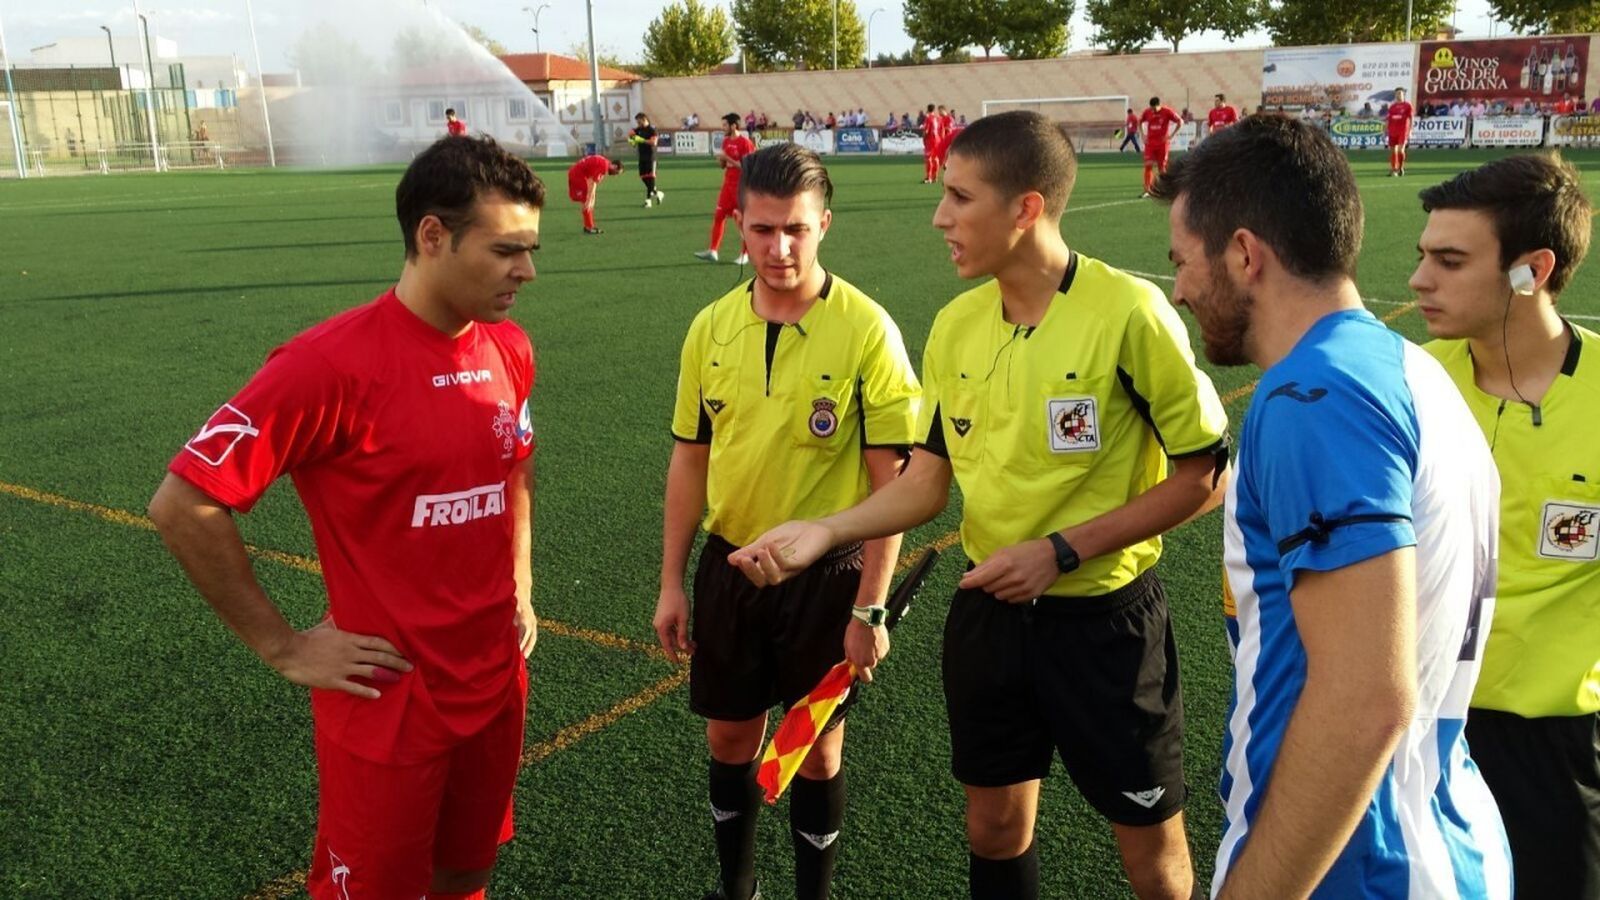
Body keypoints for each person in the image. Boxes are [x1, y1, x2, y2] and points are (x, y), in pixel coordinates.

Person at [730, 110, 1230, 900]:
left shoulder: (1129, 313)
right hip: (988, 618)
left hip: (1106, 625)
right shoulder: (956, 324)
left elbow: (1207, 475)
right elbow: (927, 480)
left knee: (1151, 851)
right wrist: (822, 531)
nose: (940, 216)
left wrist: (1062, 551)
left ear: (1026, 208)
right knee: (993, 828)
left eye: (960, 198)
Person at [147, 135, 543, 900]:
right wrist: (284, 646)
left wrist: (522, 581)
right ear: (433, 236)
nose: (527, 270)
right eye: (507, 250)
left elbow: (515, 464)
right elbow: (184, 503)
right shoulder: (324, 367)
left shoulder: (510, 349)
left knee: (468, 871)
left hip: (495, 680)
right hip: (387, 699)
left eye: (529, 249)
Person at [1151, 113, 1511, 898]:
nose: (1177, 287)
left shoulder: (1315, 395)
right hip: (1439, 829)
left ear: (1244, 254)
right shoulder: (1410, 370)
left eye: (1181, 261)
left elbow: (1364, 701)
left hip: (1361, 867)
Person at [657, 143, 921, 900]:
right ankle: (736, 890)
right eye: (763, 229)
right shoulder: (709, 328)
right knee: (730, 737)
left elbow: (891, 485)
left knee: (815, 748)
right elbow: (688, 461)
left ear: (824, 226)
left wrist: (870, 605)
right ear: (739, 225)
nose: (779, 249)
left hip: (826, 579)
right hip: (731, 567)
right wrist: (673, 582)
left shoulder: (867, 328)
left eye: (797, 230)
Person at [1411, 153, 1600, 899]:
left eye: (1450, 260)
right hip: (1417, 728)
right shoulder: (1412, 381)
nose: (1421, 279)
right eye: (1424, 255)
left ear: (1533, 269)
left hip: (1553, 743)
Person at [695, 113, 756, 265]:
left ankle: (745, 254)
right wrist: (721, 160)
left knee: (742, 221)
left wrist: (727, 158)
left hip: (741, 186)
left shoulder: (745, 143)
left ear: (733, 126)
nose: (723, 128)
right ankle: (713, 251)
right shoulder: (726, 141)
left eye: (725, 125)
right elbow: (724, 166)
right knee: (718, 216)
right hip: (727, 186)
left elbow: (748, 167)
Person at [567, 153, 624, 235]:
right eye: (617, 172)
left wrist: (592, 196)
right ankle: (589, 227)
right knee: (587, 201)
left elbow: (594, 182)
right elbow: (592, 182)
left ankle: (589, 226)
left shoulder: (605, 163)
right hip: (578, 175)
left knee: (587, 200)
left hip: (577, 173)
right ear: (614, 166)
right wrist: (590, 197)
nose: (615, 175)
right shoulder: (604, 167)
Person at [1139, 97, 1183, 198]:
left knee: (1162, 168)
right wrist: (1142, 135)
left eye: (1155, 109)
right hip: (1150, 143)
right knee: (1148, 165)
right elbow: (1140, 121)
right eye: (1151, 109)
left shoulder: (1167, 111)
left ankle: (1165, 189)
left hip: (1162, 144)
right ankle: (1147, 190)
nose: (1153, 111)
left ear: (1159, 105)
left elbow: (1180, 121)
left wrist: (1171, 135)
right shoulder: (1147, 112)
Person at [629, 112, 665, 208]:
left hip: (651, 157)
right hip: (642, 157)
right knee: (643, 177)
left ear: (644, 119)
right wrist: (631, 139)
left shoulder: (652, 130)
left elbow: (654, 142)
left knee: (651, 177)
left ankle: (648, 201)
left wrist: (641, 140)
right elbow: (632, 139)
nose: (638, 124)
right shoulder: (638, 130)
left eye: (639, 122)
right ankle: (657, 193)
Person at [921, 103, 946, 183]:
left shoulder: (928, 118)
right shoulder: (939, 118)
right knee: (936, 159)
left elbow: (926, 131)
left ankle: (929, 178)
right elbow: (942, 130)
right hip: (938, 140)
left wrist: (924, 138)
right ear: (934, 110)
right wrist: (942, 140)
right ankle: (935, 177)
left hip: (930, 140)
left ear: (928, 109)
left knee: (929, 159)